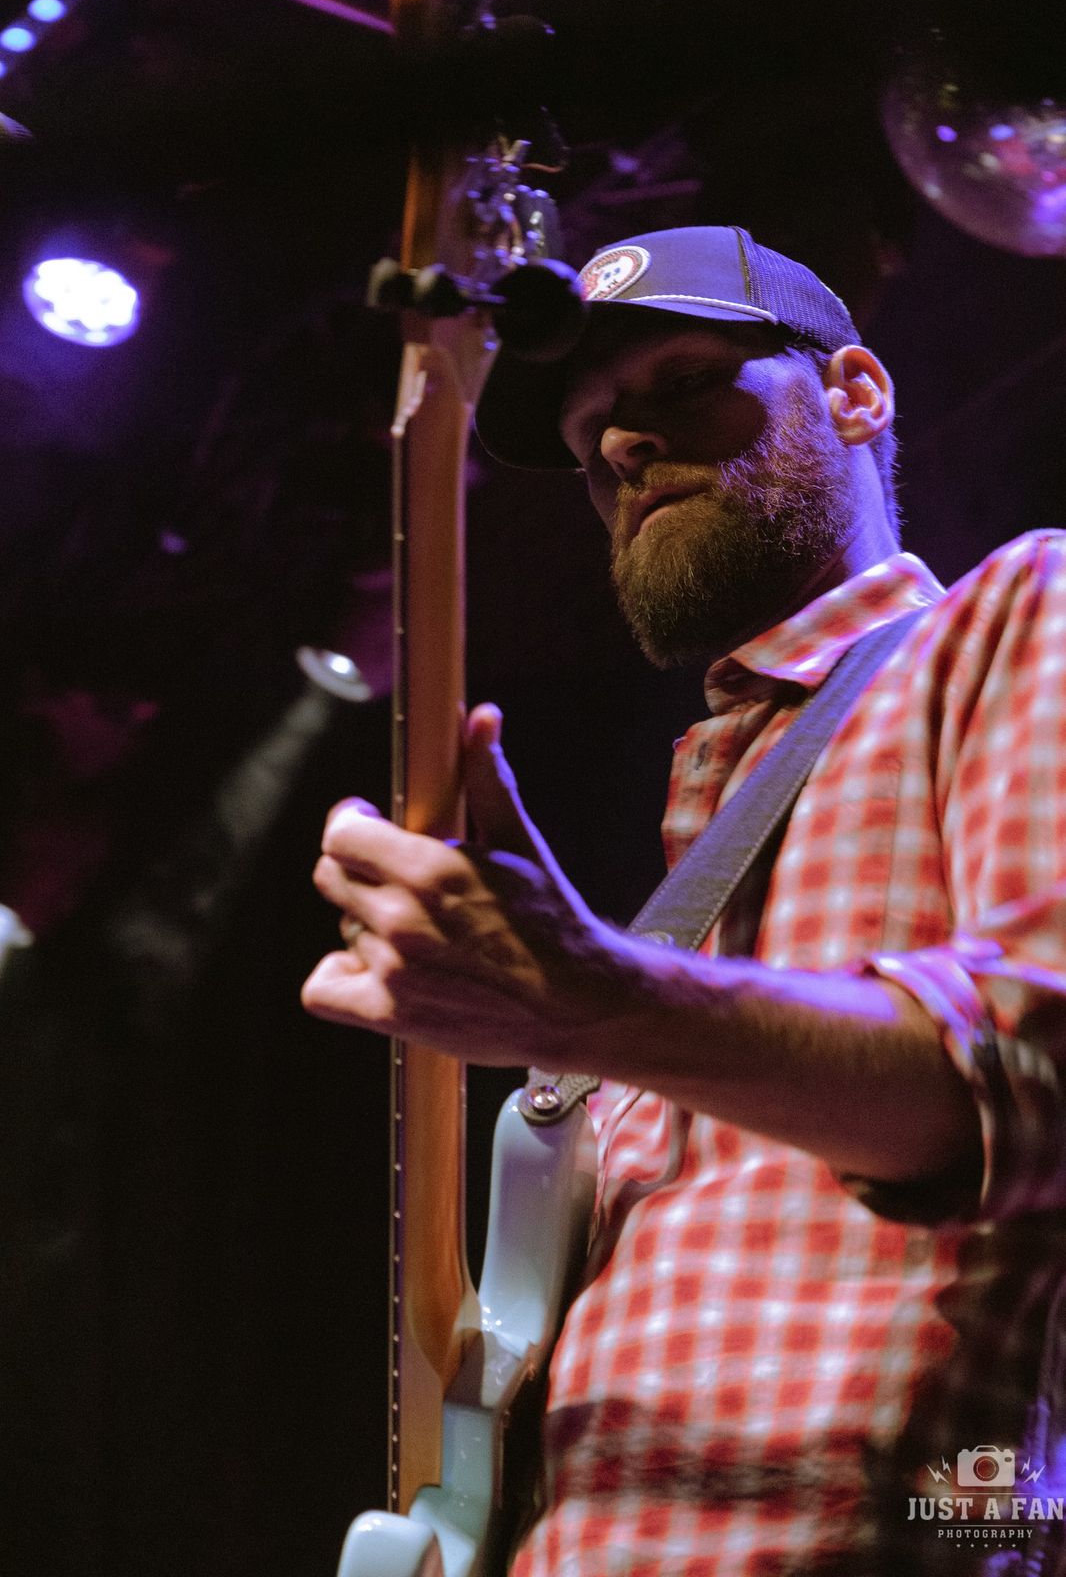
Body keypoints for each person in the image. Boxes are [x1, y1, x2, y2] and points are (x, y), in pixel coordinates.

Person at [302, 225, 1066, 1576]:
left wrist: (593, 1002)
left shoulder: (1016, 611)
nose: (619, 445)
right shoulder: (700, 845)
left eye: (684, 384)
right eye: (591, 434)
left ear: (853, 394)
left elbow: (1035, 1079)